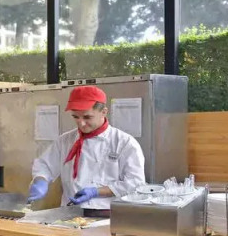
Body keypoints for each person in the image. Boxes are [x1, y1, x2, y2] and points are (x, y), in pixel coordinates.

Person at [27, 85, 145, 213]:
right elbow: (45, 165)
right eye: (76, 117)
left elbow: (135, 183)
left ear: (104, 112)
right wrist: (40, 180)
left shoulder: (124, 142)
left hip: (108, 214)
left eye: (87, 117)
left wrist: (96, 192)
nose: (81, 123)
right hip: (69, 212)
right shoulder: (65, 140)